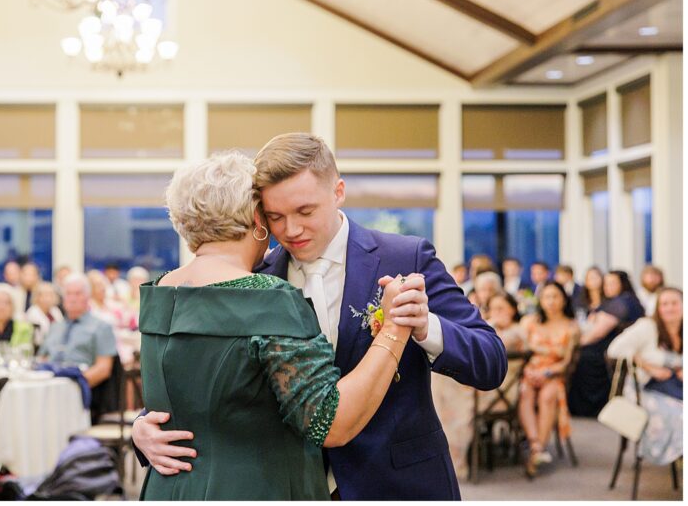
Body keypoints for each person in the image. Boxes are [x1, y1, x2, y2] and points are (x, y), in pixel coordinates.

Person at [134, 133, 507, 500]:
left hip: (397, 484)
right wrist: (142, 428)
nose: (291, 230)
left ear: (338, 192)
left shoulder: (404, 257)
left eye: (305, 211)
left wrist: (426, 328)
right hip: (291, 488)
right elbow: (205, 383)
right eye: (276, 216)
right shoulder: (255, 282)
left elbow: (490, 360)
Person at [607, 287, 682, 466]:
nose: (670, 308)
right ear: (658, 307)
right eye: (664, 304)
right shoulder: (647, 327)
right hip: (645, 389)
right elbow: (614, 350)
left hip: (677, 387)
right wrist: (647, 366)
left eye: (674, 303)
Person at [518, 282, 580, 475]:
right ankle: (535, 443)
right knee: (524, 392)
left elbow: (566, 362)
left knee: (548, 396)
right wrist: (529, 371)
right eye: (547, 297)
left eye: (556, 296)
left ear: (563, 299)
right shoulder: (530, 322)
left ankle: (537, 450)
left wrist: (548, 372)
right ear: (540, 300)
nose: (551, 301)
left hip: (554, 372)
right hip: (530, 370)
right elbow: (520, 351)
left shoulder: (572, 327)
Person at [568, 270, 644, 417]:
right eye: (606, 283)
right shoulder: (616, 301)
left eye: (612, 283)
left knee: (584, 357)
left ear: (622, 284)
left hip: (615, 351)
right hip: (611, 346)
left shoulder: (622, 302)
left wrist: (575, 345)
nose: (607, 287)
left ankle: (590, 407)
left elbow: (597, 333)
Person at [39, 274, 117, 389]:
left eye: (78, 294)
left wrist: (75, 387)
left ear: (88, 297)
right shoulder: (55, 327)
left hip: (79, 388)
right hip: (48, 387)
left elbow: (103, 369)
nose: (72, 299)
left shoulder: (101, 327)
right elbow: (42, 359)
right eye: (68, 294)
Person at [26, 281, 64, 346]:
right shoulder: (32, 312)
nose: (48, 298)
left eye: (51, 295)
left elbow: (62, 330)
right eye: (45, 295)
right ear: (37, 297)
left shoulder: (55, 311)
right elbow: (36, 338)